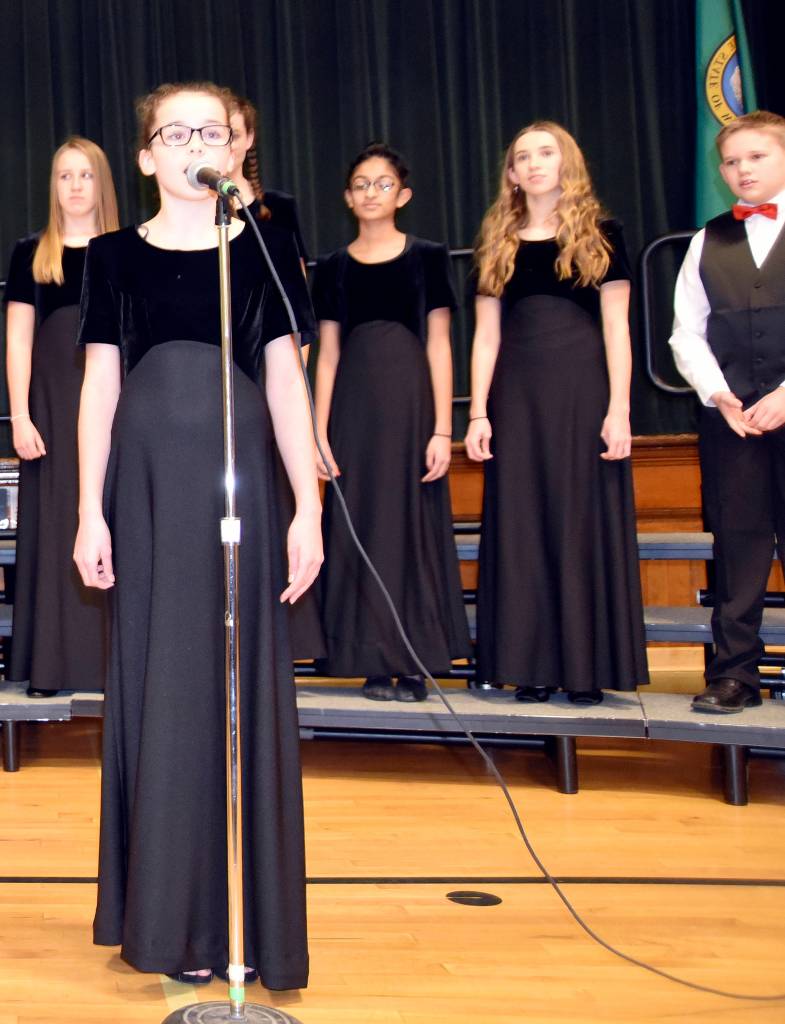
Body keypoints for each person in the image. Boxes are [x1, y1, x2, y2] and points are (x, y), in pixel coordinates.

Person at [73, 81, 322, 988]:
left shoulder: (262, 245)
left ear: (234, 150)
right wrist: (88, 508)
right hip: (141, 490)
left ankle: (239, 922)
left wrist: (309, 507)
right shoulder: (110, 257)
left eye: (207, 132)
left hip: (238, 486)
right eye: (173, 134)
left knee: (235, 684)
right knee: (159, 680)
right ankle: (168, 917)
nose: (191, 146)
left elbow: (286, 382)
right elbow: (100, 387)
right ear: (144, 157)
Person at [465, 121, 648, 705]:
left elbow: (617, 328)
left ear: (568, 162)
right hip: (517, 397)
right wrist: (479, 414)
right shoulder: (497, 241)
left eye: (547, 152)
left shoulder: (604, 234)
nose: (535, 163)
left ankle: (584, 665)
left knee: (578, 518)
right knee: (521, 522)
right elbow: (486, 338)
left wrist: (619, 408)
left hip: (581, 392)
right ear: (512, 174)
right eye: (524, 156)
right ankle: (530, 664)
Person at [311, 142, 470, 702]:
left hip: (411, 409)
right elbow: (326, 354)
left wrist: (441, 428)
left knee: (411, 527)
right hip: (354, 412)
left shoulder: (427, 256)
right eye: (360, 183)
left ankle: (415, 661)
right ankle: (369, 657)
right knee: (362, 529)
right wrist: (319, 432)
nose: (370, 192)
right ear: (347, 197)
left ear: (402, 195)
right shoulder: (331, 267)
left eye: (382, 183)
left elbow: (440, 345)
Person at [669, 110, 785, 714]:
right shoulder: (706, 240)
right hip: (733, 419)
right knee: (738, 547)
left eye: (756, 157)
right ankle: (735, 674)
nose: (743, 170)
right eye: (733, 161)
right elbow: (686, 333)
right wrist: (719, 394)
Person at [4, 137, 119, 697]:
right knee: (54, 525)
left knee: (111, 519)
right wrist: (20, 415)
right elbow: (19, 339)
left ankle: (111, 664)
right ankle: (51, 665)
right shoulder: (32, 252)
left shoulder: (125, 250)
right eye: (63, 176)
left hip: (112, 404)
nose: (74, 186)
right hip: (50, 406)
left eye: (84, 176)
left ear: (102, 184)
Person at [225, 91, 309, 264]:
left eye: (234, 136)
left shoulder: (279, 206)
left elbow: (295, 281)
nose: (227, 144)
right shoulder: (191, 210)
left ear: (249, 138)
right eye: (215, 134)